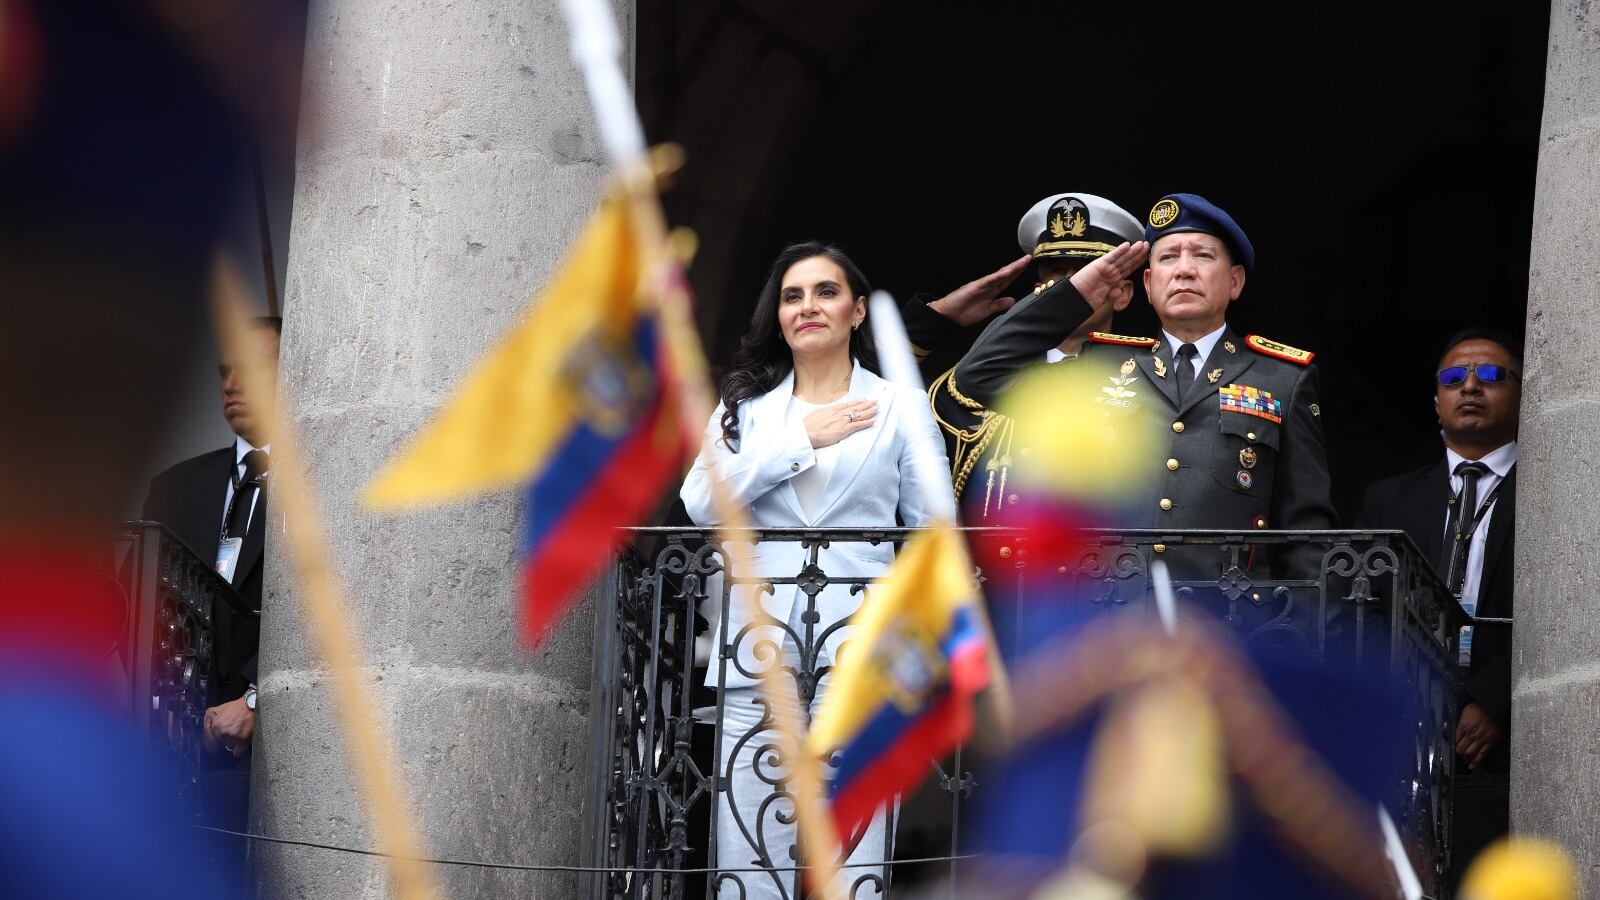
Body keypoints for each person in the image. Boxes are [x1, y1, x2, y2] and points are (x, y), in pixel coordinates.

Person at [680, 242, 952, 898]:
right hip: (757, 651)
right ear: (777, 316)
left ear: (857, 311)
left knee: (856, 855)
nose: (808, 307)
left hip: (861, 652)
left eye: (826, 292)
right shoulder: (744, 407)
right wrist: (802, 442)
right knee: (749, 857)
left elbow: (933, 531)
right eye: (792, 296)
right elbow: (697, 503)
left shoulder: (900, 407)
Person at [954, 193, 1336, 574]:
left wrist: (1299, 633)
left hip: (1230, 625)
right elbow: (979, 377)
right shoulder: (1097, 367)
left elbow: (1309, 534)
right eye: (1168, 257)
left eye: (1203, 255)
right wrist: (1074, 295)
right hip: (1108, 621)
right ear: (1149, 285)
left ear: (1235, 282)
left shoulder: (1282, 379)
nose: (1184, 270)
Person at [1355, 327, 1521, 886]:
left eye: (1491, 375)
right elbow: (1362, 612)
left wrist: (1493, 699)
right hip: (1409, 729)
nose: (1470, 386)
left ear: (1523, 393)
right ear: (1435, 401)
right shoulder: (1390, 498)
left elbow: (1571, 606)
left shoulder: (1554, 490)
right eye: (1453, 378)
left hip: (1507, 736)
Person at [915, 193, 1144, 518]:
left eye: (1085, 272)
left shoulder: (1148, 376)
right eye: (1057, 274)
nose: (1072, 284)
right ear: (1038, 289)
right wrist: (935, 320)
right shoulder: (972, 383)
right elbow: (865, 393)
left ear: (1123, 294)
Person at [142, 316, 278, 836]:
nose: (231, 383)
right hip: (170, 754)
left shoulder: (320, 487)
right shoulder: (174, 487)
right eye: (225, 370)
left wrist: (254, 701)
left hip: (268, 758)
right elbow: (142, 608)